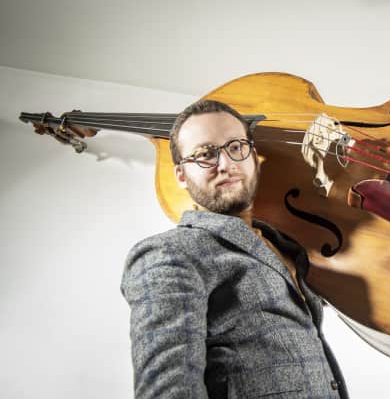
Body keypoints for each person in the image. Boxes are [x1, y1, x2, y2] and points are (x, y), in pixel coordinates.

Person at [121, 100, 349, 398]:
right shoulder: (168, 253)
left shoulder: (289, 248)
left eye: (236, 147)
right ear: (181, 175)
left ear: (253, 157)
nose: (225, 164)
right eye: (205, 154)